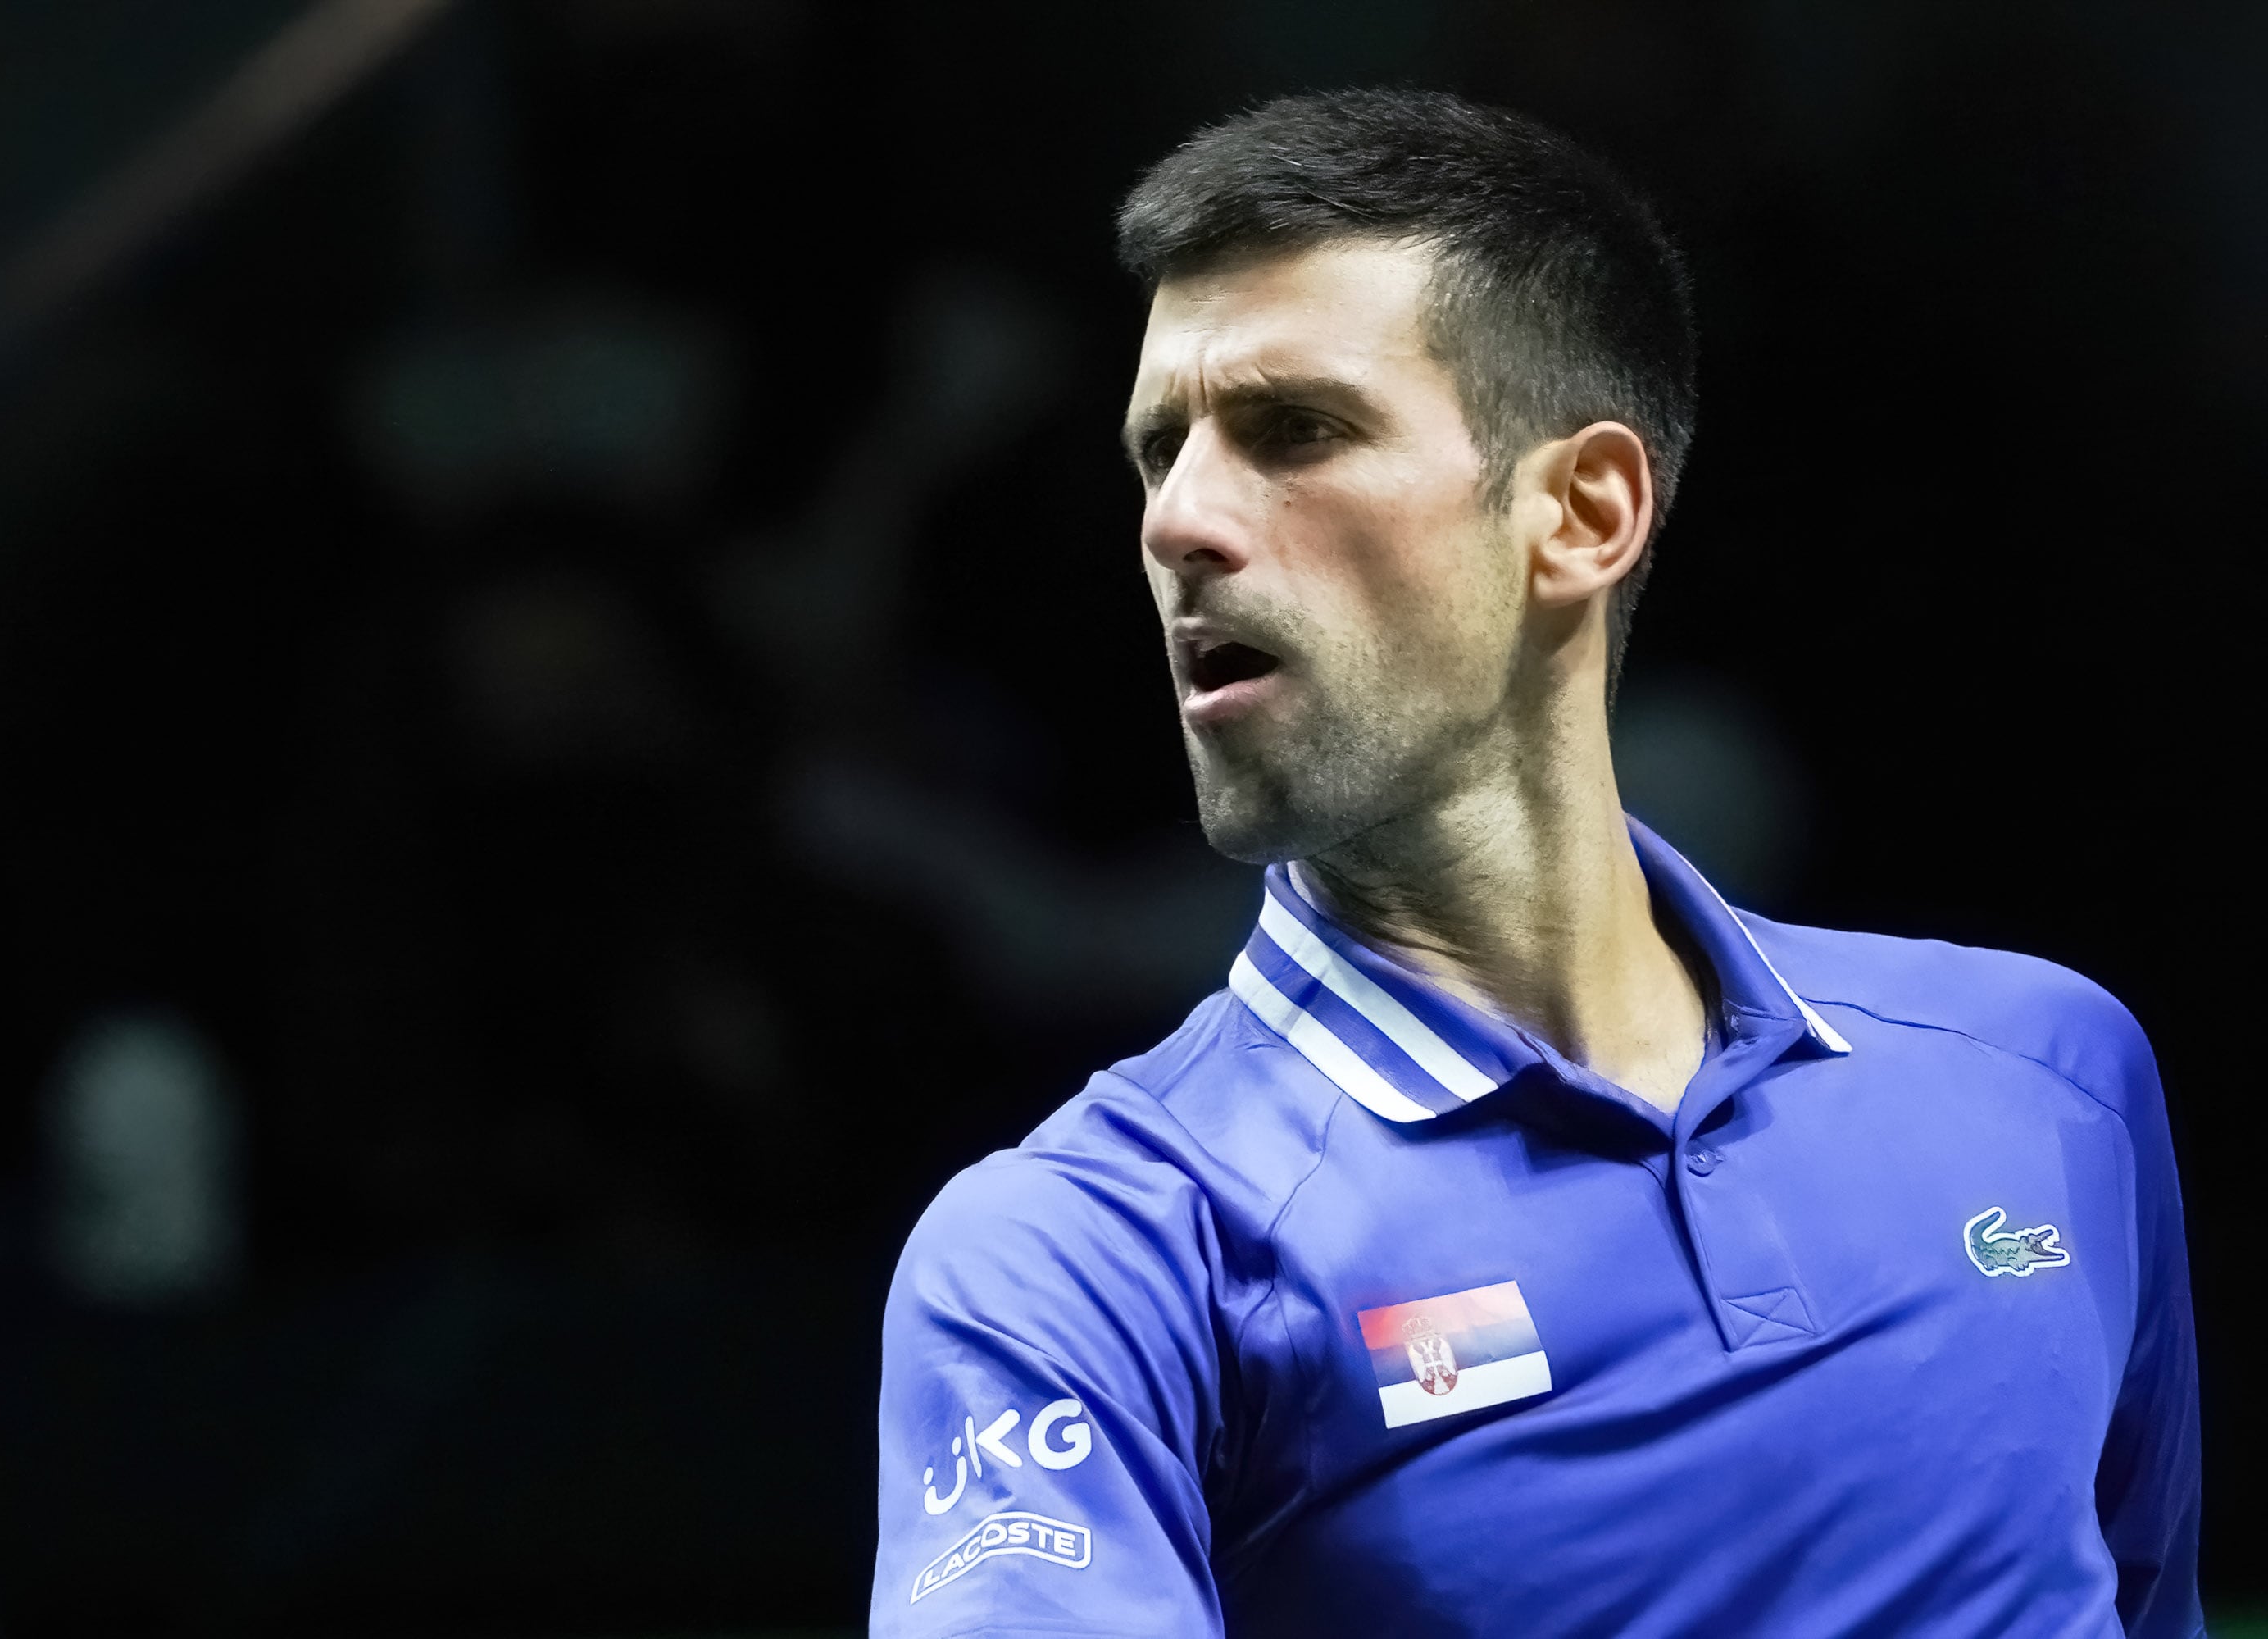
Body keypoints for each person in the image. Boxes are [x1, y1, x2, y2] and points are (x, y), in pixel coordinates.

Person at [867, 88, 2200, 1637]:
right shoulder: (1084, 1257)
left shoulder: (2048, 1078)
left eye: (1294, 429)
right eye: (1159, 452)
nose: (1182, 521)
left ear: (1584, 510)